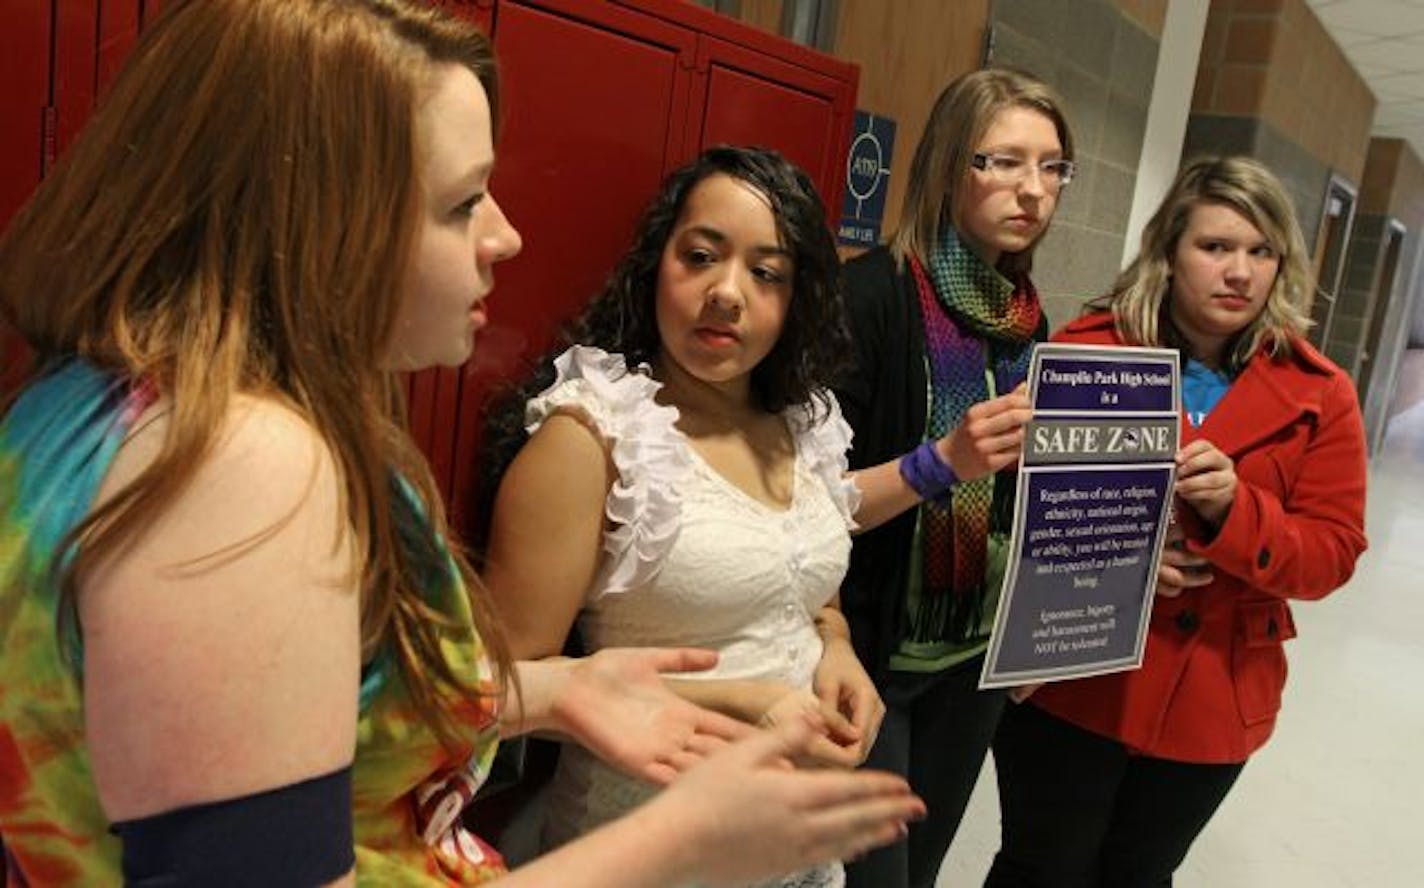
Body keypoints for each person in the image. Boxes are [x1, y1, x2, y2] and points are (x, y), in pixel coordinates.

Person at [0, 2, 926, 885]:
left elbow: (305, 715)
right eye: (460, 204)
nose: (506, 237)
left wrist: (554, 691)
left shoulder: (100, 397)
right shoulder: (240, 465)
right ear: (318, 218)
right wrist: (681, 839)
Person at [479, 144, 1029, 887]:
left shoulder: (802, 424)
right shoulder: (591, 439)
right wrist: (740, 703)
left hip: (790, 851)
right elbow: (503, 691)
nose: (727, 293)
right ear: (655, 266)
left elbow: (807, 590)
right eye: (701, 256)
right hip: (644, 850)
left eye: (765, 273)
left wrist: (835, 651)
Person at [985, 156, 1369, 887]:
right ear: (1168, 252)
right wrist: (1122, 564)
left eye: (1261, 253)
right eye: (1216, 247)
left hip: (1213, 693)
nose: (1240, 272)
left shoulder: (1321, 392)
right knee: (1039, 866)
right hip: (1075, 672)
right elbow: (1019, 505)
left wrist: (1238, 511)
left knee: (1139, 873)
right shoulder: (1089, 352)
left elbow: (1333, 554)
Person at [831, 68, 1073, 888]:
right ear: (944, 165)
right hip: (873, 656)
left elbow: (1020, 508)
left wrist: (1039, 622)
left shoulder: (1028, 322)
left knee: (923, 872)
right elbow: (801, 506)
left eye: (1051, 167)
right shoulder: (869, 298)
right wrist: (942, 462)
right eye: (1002, 162)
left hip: (973, 654)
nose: (1032, 190)